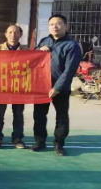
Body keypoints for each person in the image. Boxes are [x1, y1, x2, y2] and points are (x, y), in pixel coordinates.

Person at [33, 14, 82, 156]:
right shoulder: (44, 41)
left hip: (60, 88)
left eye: (58, 23)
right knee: (39, 116)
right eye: (51, 24)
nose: (54, 26)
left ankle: (58, 143)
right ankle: (39, 141)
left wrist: (57, 88)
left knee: (61, 116)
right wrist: (38, 50)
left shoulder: (72, 45)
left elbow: (69, 70)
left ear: (66, 26)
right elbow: (32, 58)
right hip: (42, 86)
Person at [0, 24, 28, 150]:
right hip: (2, 86)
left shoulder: (26, 51)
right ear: (6, 34)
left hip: (19, 87)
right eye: (10, 32)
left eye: (16, 32)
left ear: (21, 34)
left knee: (18, 114)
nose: (13, 35)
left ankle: (17, 138)